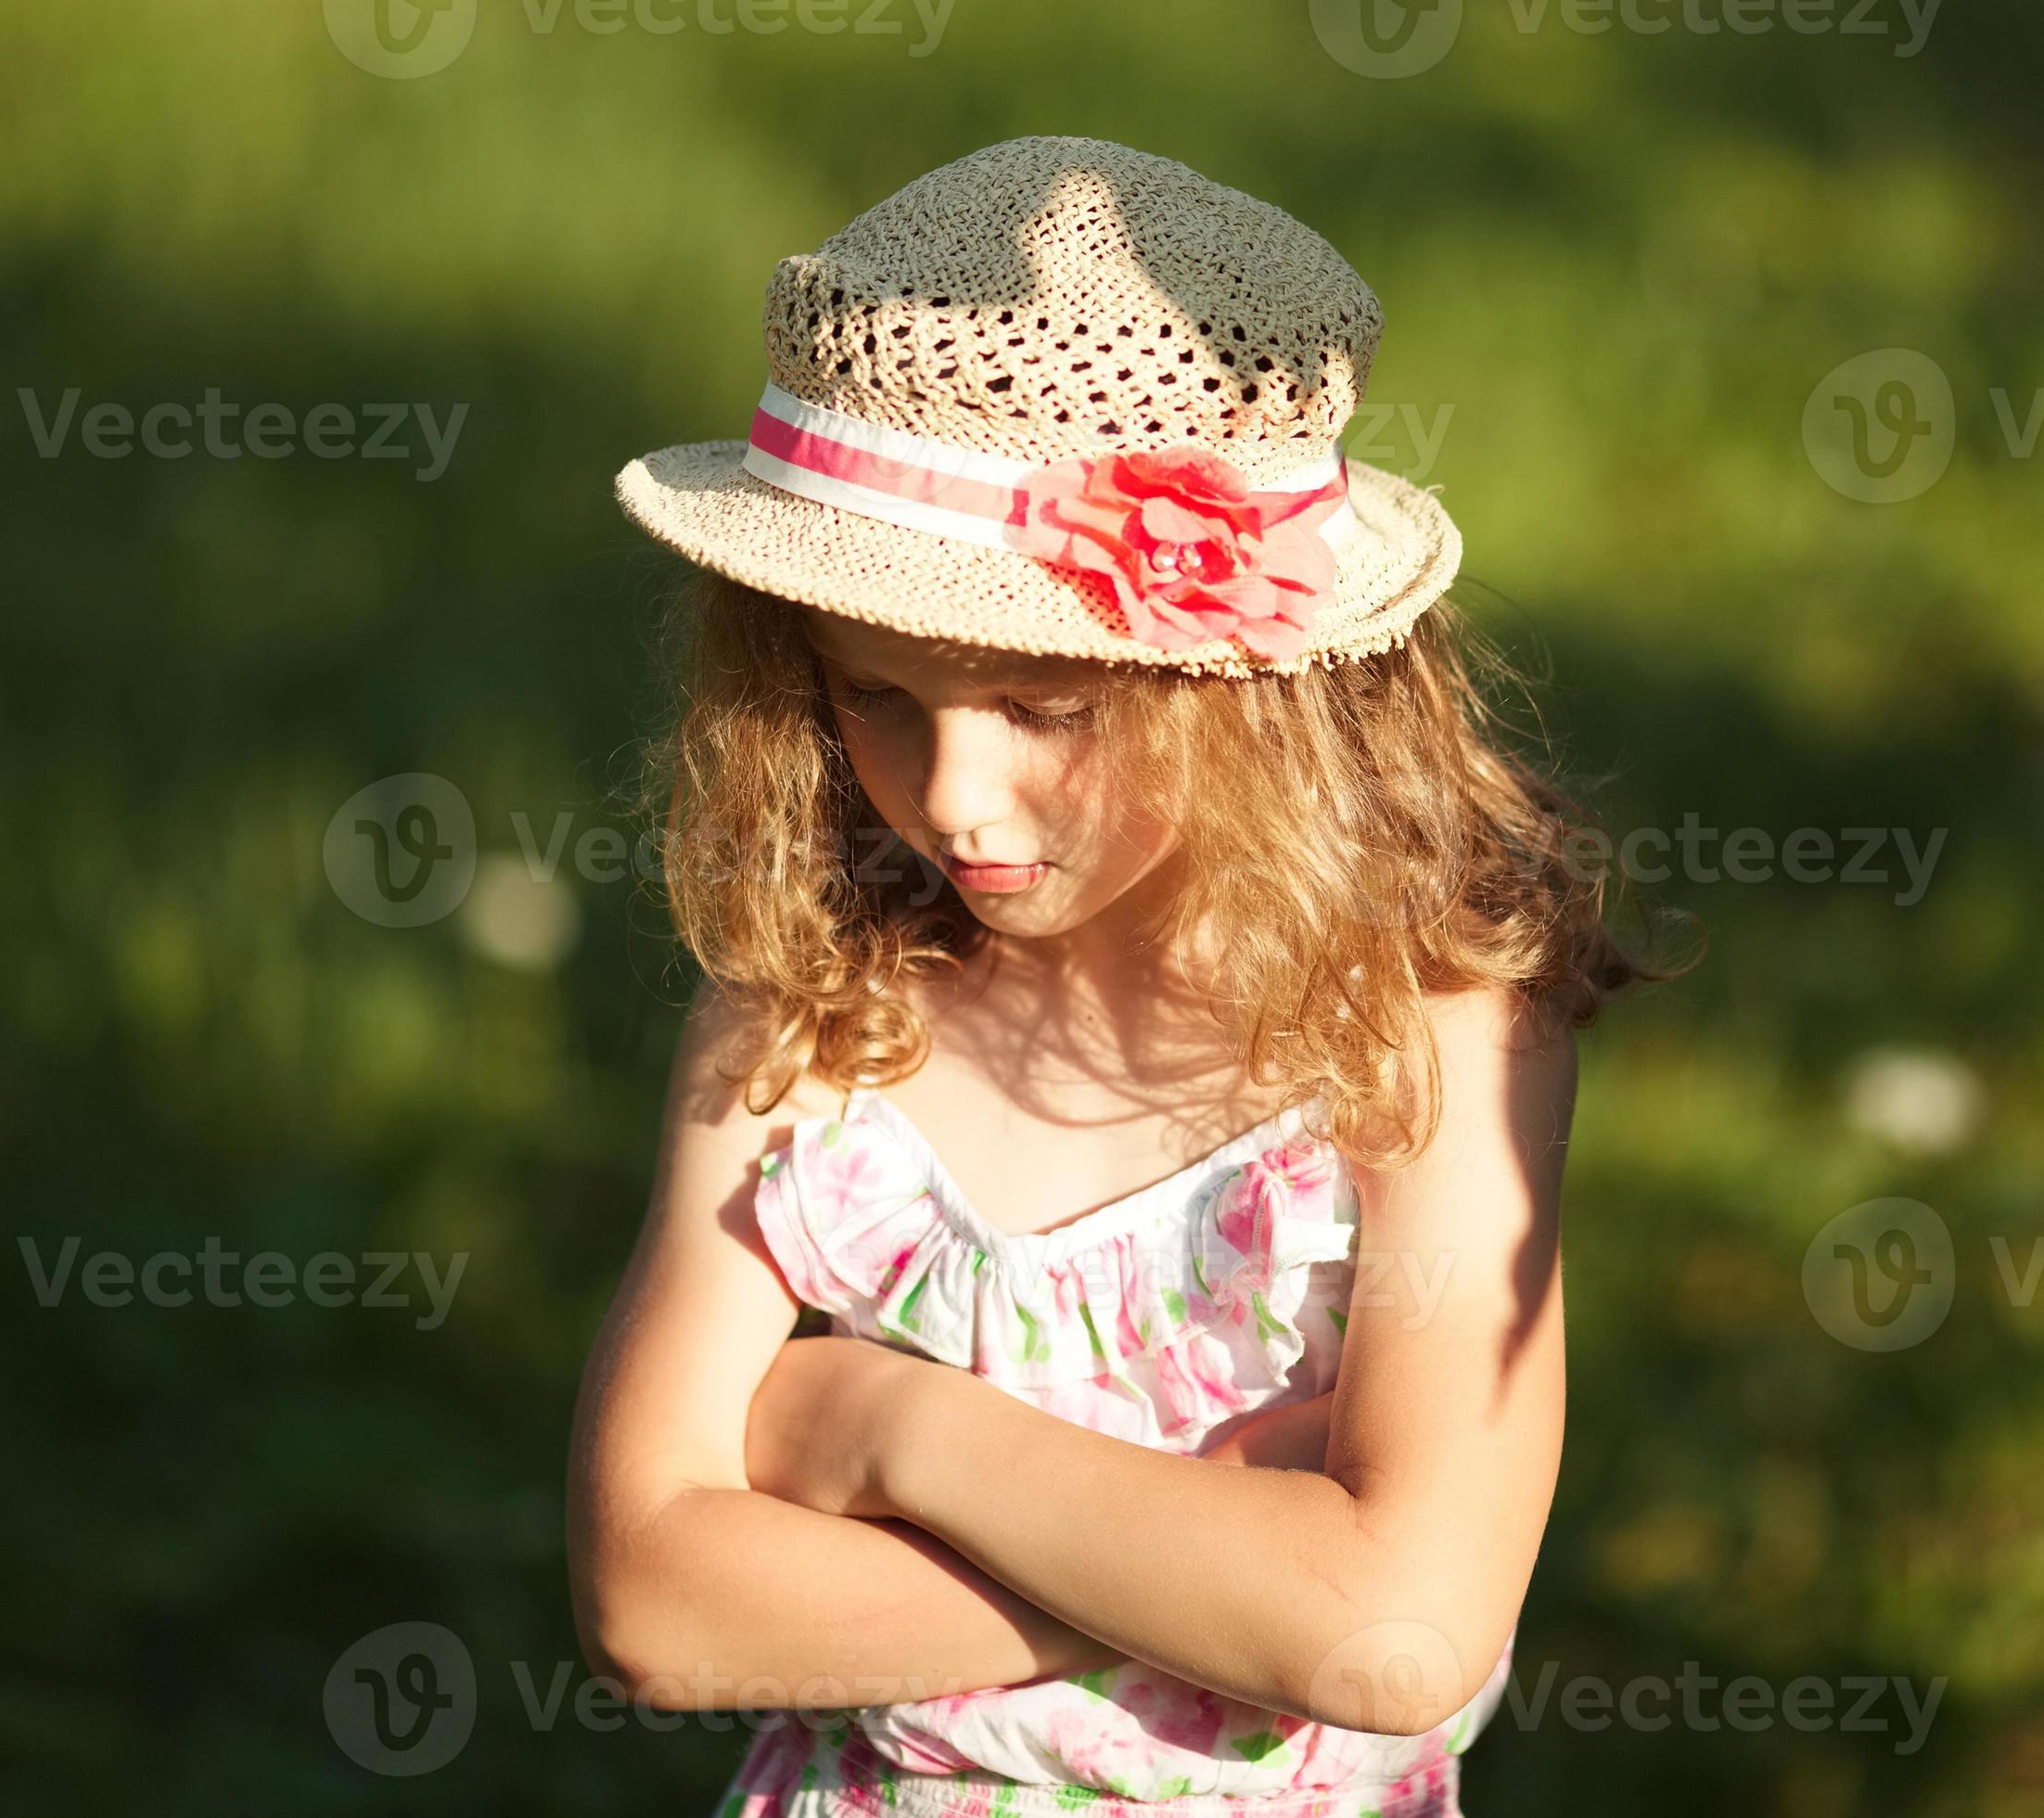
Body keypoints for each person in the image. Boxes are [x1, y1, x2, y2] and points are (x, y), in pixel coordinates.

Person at [569, 134, 1655, 1817]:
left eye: (1050, 713)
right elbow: (656, 1606)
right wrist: (1221, 1577)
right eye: (876, 698)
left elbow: (1398, 1631)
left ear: (1263, 688)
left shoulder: (1418, 1043)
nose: (952, 799)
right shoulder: (813, 1016)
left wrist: (883, 1435)